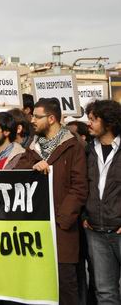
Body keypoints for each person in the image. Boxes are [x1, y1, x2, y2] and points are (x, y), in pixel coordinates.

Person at [14, 98, 87, 305]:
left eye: (37, 117)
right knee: (40, 288)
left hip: (62, 231)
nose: (32, 120)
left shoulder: (73, 147)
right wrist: (33, 167)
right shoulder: (33, 148)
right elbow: (16, 175)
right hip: (37, 231)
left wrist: (61, 220)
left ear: (52, 119)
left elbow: (79, 188)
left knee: (65, 287)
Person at [82, 100, 121, 304]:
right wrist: (84, 216)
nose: (89, 123)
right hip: (95, 231)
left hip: (118, 229)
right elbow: (82, 186)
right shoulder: (88, 150)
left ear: (109, 122)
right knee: (105, 292)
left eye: (93, 119)